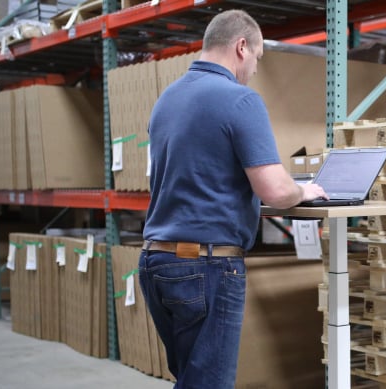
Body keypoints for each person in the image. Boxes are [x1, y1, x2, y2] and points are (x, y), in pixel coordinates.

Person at [138, 10, 327, 388]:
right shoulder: (241, 100)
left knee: (190, 379)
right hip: (206, 268)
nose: (255, 69)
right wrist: (304, 190)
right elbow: (274, 190)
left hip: (156, 262)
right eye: (257, 57)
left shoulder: (167, 99)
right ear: (241, 47)